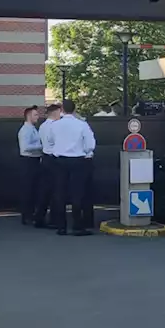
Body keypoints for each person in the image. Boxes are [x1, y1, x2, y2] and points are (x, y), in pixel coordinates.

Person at [51, 99, 96, 236]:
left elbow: (50, 141)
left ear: (62, 109)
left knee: (60, 193)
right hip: (78, 161)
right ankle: (77, 226)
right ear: (74, 109)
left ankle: (61, 227)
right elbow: (90, 145)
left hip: (59, 161)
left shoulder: (55, 125)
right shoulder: (82, 125)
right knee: (77, 194)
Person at [35, 104, 63, 229]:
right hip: (54, 159)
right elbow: (57, 142)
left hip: (45, 158)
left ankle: (39, 217)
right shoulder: (56, 127)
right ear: (56, 113)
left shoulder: (42, 126)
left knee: (44, 190)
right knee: (56, 190)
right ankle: (54, 219)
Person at [17, 106, 43, 226]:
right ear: (29, 116)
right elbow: (25, 147)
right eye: (35, 115)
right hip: (28, 161)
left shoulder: (32, 129)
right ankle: (26, 215)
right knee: (28, 189)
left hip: (35, 161)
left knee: (33, 189)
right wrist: (41, 147)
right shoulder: (26, 130)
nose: (38, 117)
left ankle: (31, 214)